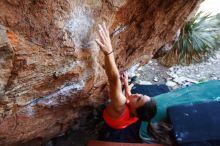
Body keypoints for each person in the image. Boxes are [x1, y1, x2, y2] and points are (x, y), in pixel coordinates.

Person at [95, 23, 157, 143]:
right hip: (121, 124)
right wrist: (126, 83)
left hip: (110, 119)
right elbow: (129, 97)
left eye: (139, 99)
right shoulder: (137, 115)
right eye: (142, 96)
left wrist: (108, 52)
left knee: (113, 95)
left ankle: (98, 115)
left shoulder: (120, 105)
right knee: (127, 90)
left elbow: (113, 79)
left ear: (135, 111)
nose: (138, 94)